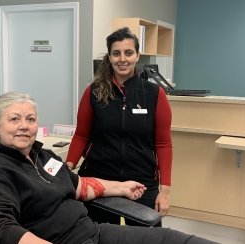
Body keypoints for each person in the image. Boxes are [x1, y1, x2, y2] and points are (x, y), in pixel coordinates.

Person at [0, 92, 217, 244]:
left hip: (94, 232)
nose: (24, 126)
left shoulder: (42, 155)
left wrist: (121, 188)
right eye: (14, 119)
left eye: (30, 119)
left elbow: (78, 185)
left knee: (177, 240)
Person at [65, 27, 172, 227]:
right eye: (116, 53)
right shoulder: (93, 92)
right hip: (98, 181)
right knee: (95, 237)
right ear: (110, 56)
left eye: (128, 53)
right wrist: (67, 168)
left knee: (147, 241)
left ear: (137, 55)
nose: (122, 59)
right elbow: (81, 136)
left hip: (142, 183)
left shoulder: (155, 94)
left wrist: (165, 191)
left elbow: (164, 144)